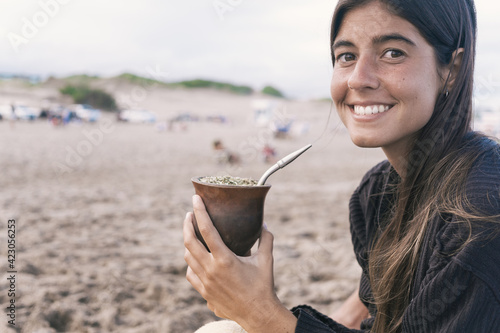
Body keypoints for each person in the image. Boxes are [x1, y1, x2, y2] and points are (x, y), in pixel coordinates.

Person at [183, 0, 500, 332]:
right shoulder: (376, 194)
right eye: (346, 56)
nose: (358, 79)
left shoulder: (482, 207)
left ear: (453, 69)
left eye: (392, 53)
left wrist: (258, 311)